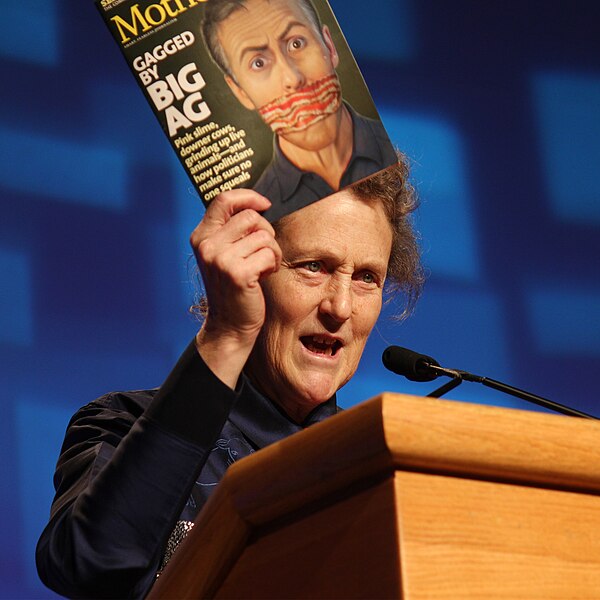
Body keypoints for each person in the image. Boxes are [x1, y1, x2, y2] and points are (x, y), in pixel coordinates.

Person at [36, 159, 422, 599]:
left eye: (367, 278)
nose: (340, 307)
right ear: (250, 271)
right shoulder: (124, 424)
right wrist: (227, 334)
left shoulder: (384, 471)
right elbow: (88, 565)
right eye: (314, 266)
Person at [201, 0, 398, 220]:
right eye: (258, 63)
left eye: (296, 43)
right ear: (241, 92)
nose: (293, 78)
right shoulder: (255, 218)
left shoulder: (395, 157)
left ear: (329, 47)